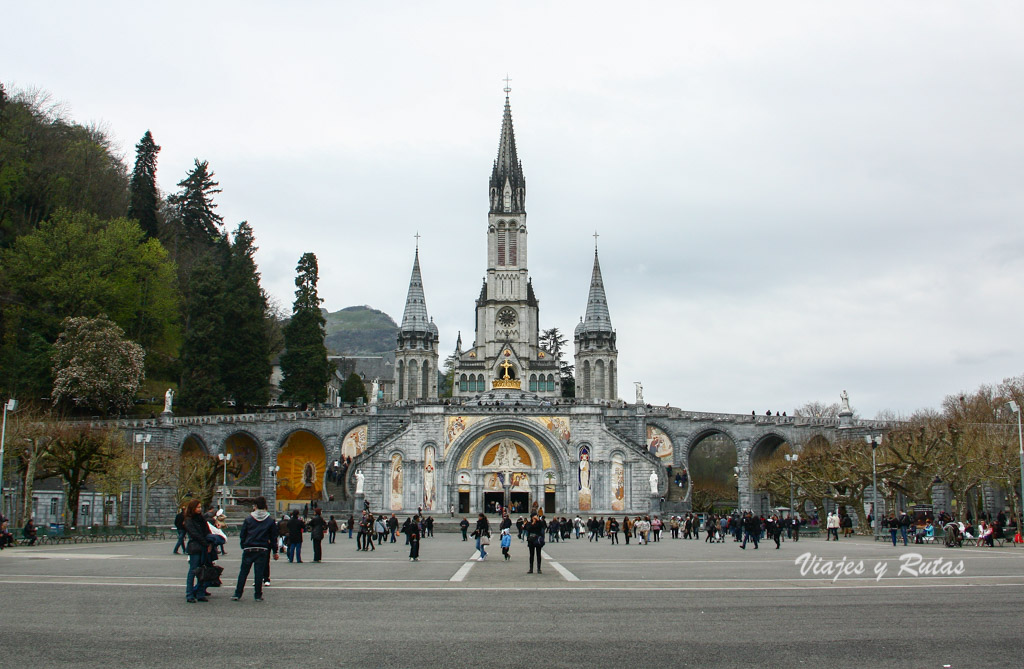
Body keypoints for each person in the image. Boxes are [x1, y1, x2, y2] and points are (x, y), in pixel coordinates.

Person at [231, 496, 279, 602]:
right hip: (262, 548)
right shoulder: (270, 520)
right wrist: (275, 551)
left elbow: (243, 534)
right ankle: (257, 594)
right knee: (259, 573)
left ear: (255, 506)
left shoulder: (249, 519)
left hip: (249, 547)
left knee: (243, 572)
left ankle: (237, 593)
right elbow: (273, 537)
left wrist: (243, 545)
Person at [183, 499, 213, 603]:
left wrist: (210, 542)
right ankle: (189, 594)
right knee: (193, 571)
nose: (200, 509)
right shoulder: (189, 520)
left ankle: (200, 593)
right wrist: (206, 543)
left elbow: (207, 530)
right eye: (198, 507)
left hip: (202, 546)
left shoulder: (201, 518)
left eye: (200, 507)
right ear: (193, 508)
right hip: (195, 547)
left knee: (202, 571)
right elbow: (194, 534)